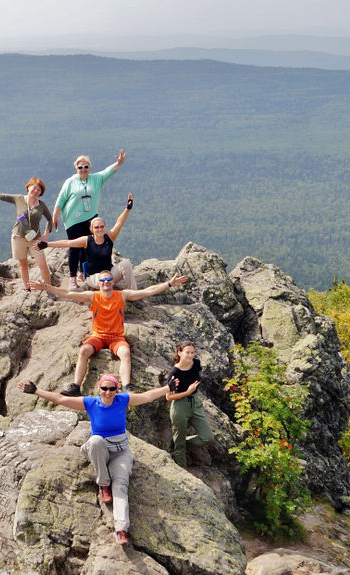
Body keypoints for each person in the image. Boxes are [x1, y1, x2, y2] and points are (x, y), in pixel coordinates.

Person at [18, 374, 169, 545]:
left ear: (117, 389)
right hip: (100, 450)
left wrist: (168, 388)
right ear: (99, 389)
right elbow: (60, 399)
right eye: (104, 388)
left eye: (112, 388)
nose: (108, 392)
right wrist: (36, 391)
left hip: (120, 452)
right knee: (96, 441)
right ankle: (103, 484)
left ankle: (121, 529)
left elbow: (146, 396)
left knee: (120, 486)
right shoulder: (91, 403)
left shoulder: (123, 400)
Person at [28, 272, 188, 396]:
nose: (106, 283)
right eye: (103, 281)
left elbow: (147, 292)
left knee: (125, 352)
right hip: (97, 336)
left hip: (116, 337)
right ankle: (76, 387)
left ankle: (126, 387)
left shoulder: (122, 295)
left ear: (113, 282)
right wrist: (46, 288)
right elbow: (68, 294)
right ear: (98, 284)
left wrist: (168, 284)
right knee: (84, 351)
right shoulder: (93, 296)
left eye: (108, 280)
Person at [53, 150, 125, 290]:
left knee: (89, 246)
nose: (83, 169)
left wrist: (119, 163)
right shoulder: (70, 182)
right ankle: (72, 278)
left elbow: (108, 171)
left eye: (86, 167)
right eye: (80, 167)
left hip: (91, 217)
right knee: (75, 247)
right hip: (73, 219)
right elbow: (61, 199)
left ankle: (83, 272)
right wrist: (55, 215)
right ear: (76, 168)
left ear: (89, 168)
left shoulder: (96, 178)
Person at [0, 177, 53, 290]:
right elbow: (1, 195)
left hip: (35, 239)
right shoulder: (18, 199)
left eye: (39, 190)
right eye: (34, 188)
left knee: (43, 265)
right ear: (28, 187)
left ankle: (50, 289)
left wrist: (45, 236)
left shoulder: (41, 205)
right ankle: (27, 288)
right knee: (23, 264)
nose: (36, 191)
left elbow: (50, 219)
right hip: (18, 237)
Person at [44, 194, 136, 290]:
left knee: (126, 263)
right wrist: (47, 244)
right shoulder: (87, 240)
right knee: (105, 280)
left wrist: (127, 209)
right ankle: (106, 296)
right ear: (92, 229)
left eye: (102, 226)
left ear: (105, 227)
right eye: (96, 227)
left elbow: (119, 223)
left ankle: (134, 294)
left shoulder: (110, 237)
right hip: (94, 277)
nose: (99, 229)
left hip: (109, 273)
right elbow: (68, 243)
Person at [164, 341, 215, 468]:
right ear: (179, 353)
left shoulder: (196, 363)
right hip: (180, 406)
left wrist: (192, 393)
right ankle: (183, 470)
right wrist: (187, 392)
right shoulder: (174, 372)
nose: (190, 355)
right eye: (187, 352)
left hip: (195, 402)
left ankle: (180, 443)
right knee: (179, 446)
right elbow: (168, 397)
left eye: (192, 352)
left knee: (207, 437)